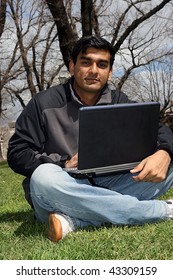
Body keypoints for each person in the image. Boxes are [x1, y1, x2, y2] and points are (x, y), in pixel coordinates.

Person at [7, 36, 173, 242]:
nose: (94, 70)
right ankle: (161, 211)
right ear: (72, 66)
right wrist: (63, 163)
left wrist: (164, 153)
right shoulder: (44, 102)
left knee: (168, 166)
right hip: (59, 189)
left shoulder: (119, 101)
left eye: (102, 64)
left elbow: (158, 130)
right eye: (86, 62)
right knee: (43, 177)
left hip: (110, 183)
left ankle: (73, 220)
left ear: (110, 72)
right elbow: (17, 153)